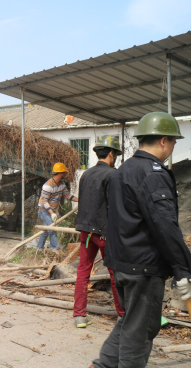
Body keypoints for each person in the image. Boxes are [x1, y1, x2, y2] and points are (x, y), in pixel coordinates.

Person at [93, 112, 191, 368]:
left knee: (131, 320)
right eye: (173, 142)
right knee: (142, 329)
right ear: (163, 140)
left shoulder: (121, 171)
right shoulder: (153, 173)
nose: (172, 148)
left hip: (122, 262)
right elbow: (165, 226)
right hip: (143, 266)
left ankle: (103, 365)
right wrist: (184, 268)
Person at [73, 135, 124, 328]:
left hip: (86, 233)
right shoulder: (112, 175)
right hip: (104, 233)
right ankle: (122, 314)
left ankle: (79, 316)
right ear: (111, 153)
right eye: (116, 154)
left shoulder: (86, 174)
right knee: (115, 273)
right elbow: (115, 206)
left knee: (83, 272)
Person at [37, 162, 79, 251]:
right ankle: (57, 250)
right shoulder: (48, 186)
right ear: (60, 173)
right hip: (44, 210)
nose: (65, 174)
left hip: (51, 210)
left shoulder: (62, 185)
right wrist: (52, 213)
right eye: (64, 172)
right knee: (52, 229)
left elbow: (68, 196)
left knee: (46, 230)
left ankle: (39, 249)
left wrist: (80, 200)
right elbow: (44, 201)